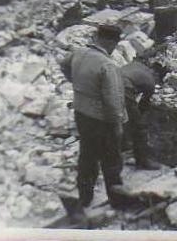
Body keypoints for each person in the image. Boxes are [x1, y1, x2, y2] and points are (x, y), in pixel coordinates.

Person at [59, 25, 127, 207]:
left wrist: (76, 82)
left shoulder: (79, 52)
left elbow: (63, 64)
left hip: (81, 112)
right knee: (111, 159)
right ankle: (117, 199)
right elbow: (113, 101)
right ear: (112, 42)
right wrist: (118, 125)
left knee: (87, 155)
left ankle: (85, 197)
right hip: (101, 120)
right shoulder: (107, 65)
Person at [121, 61, 161, 170]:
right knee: (139, 127)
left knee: (117, 121)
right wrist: (139, 118)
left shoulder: (137, 65)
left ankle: (123, 146)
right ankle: (142, 161)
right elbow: (144, 104)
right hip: (123, 87)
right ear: (156, 75)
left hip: (107, 84)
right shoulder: (151, 81)